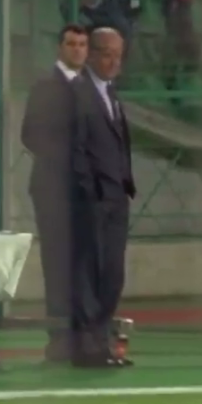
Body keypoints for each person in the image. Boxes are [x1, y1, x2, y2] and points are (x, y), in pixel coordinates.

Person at [20, 24, 89, 364]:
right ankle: (60, 335)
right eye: (71, 44)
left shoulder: (91, 87)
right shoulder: (45, 87)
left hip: (86, 190)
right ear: (60, 47)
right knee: (58, 263)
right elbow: (30, 134)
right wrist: (65, 159)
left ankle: (85, 331)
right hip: (53, 189)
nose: (77, 50)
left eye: (82, 44)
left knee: (85, 261)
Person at [69, 27, 137, 368]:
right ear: (92, 55)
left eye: (118, 56)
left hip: (116, 196)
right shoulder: (78, 93)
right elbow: (75, 148)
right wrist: (89, 188)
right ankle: (86, 346)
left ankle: (102, 341)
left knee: (112, 273)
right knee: (89, 273)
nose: (113, 62)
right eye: (107, 54)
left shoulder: (112, 94)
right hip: (93, 199)